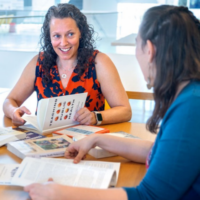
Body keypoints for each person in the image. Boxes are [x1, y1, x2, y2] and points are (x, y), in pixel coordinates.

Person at [24, 5, 200, 200]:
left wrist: (62, 194)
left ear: (149, 50)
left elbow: (149, 196)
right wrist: (98, 139)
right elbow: (159, 154)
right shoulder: (190, 96)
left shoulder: (191, 108)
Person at [3, 3, 131, 126]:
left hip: (87, 143)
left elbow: (125, 111)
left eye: (70, 34)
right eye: (57, 36)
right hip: (44, 141)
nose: (63, 43)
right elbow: (9, 101)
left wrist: (95, 116)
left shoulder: (99, 62)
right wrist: (14, 111)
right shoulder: (38, 63)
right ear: (49, 37)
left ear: (80, 32)